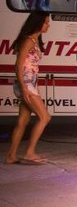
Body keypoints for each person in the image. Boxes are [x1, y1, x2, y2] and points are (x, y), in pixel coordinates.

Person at [5, 12, 52, 165]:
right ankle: (29, 152)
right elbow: (18, 65)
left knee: (22, 121)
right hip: (26, 83)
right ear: (38, 23)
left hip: (29, 83)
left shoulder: (34, 40)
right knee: (44, 117)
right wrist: (25, 88)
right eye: (46, 22)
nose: (48, 25)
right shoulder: (29, 41)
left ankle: (11, 156)